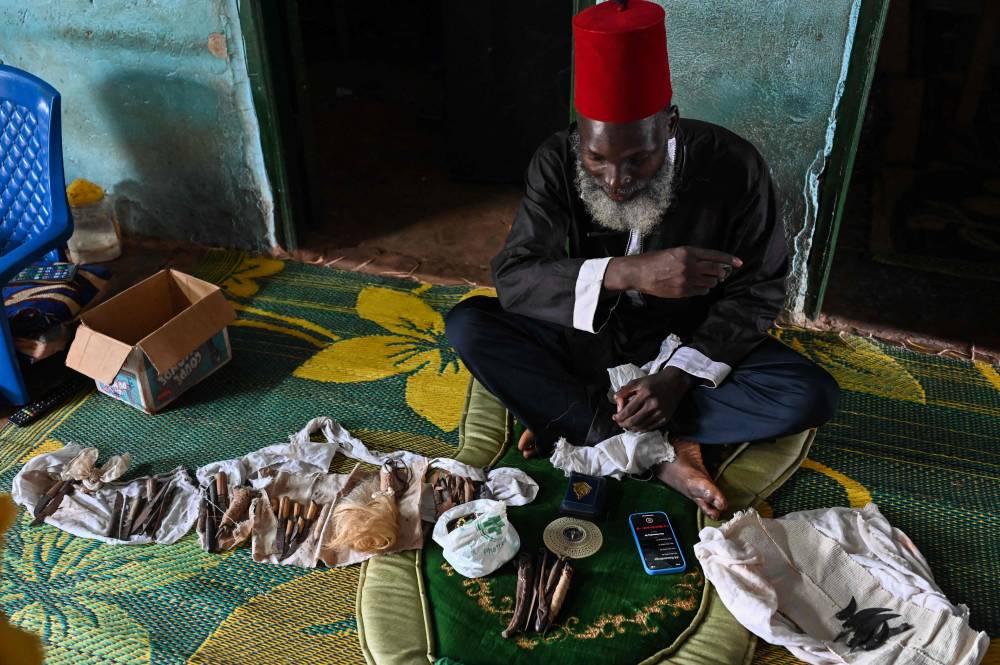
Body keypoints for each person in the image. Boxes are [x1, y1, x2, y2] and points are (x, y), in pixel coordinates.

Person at [445, 0, 839, 519]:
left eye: (639, 158)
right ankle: (658, 455)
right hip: (587, 338)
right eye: (597, 158)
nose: (616, 180)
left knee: (808, 395)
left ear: (669, 125)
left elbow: (760, 288)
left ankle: (577, 418)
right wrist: (626, 272)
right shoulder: (555, 161)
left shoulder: (733, 165)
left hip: (688, 341)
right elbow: (516, 278)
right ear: (578, 136)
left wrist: (678, 377)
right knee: (469, 324)